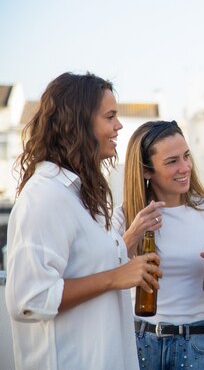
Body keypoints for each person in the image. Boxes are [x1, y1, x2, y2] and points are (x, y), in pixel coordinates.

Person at [5, 72, 163, 370]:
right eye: (110, 117)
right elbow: (29, 299)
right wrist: (117, 277)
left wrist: (129, 244)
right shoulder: (45, 196)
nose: (118, 126)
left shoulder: (83, 195)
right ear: (79, 122)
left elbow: (91, 264)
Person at [112, 120, 204, 370]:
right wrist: (132, 234)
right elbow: (107, 274)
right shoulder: (124, 217)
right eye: (172, 161)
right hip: (138, 341)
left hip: (194, 343)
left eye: (186, 156)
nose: (185, 167)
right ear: (147, 171)